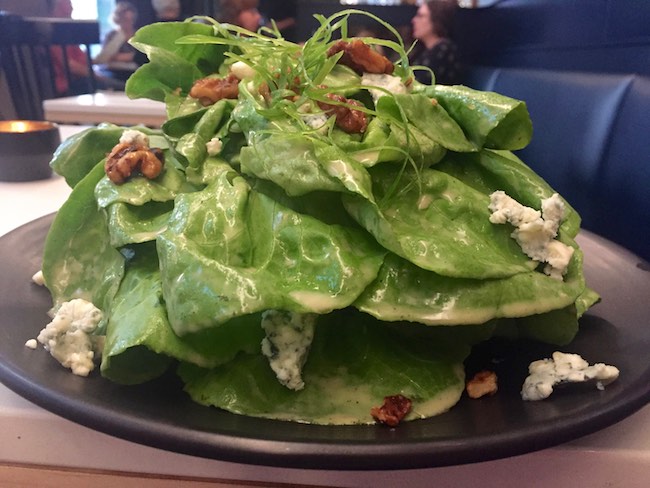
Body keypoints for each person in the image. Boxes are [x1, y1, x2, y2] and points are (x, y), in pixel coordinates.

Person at [409, 0, 463, 85]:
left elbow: (419, 83)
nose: (413, 20)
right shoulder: (423, 50)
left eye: (420, 16)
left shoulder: (444, 50)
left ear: (435, 19)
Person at [47, 0, 95, 95]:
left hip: (79, 81)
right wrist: (96, 75)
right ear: (55, 10)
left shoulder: (67, 35)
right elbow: (71, 67)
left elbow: (84, 59)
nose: (70, 9)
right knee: (115, 86)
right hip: (68, 87)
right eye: (66, 6)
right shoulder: (53, 36)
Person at [93, 1, 139, 88]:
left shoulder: (138, 35)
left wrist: (119, 57)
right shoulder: (111, 36)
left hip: (134, 71)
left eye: (131, 20)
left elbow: (141, 57)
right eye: (125, 20)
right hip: (114, 72)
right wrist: (129, 56)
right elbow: (104, 57)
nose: (128, 23)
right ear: (118, 19)